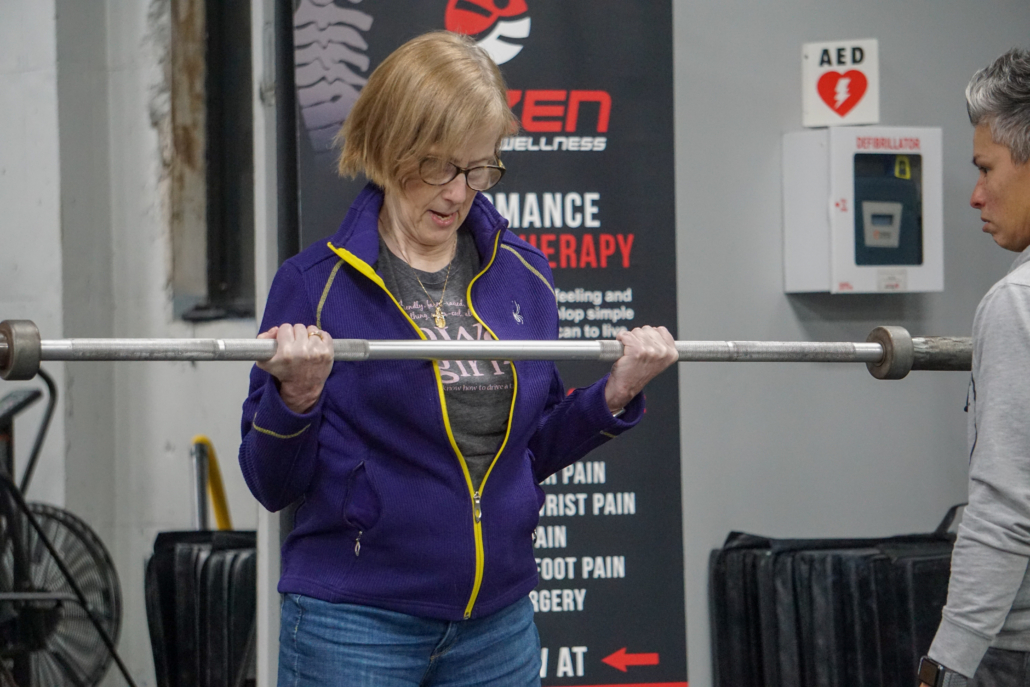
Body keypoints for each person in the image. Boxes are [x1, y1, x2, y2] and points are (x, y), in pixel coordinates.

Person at [238, 31, 678, 687]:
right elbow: (271, 483)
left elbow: (532, 448)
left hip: (495, 625)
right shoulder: (314, 285)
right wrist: (294, 399)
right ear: (389, 148)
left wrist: (614, 394)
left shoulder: (525, 275)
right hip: (355, 624)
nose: (458, 192)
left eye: (479, 168)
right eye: (439, 165)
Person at [919, 48, 1030, 687]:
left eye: (986, 168)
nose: (976, 195)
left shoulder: (1017, 303)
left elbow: (1007, 506)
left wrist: (947, 661)